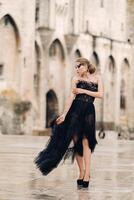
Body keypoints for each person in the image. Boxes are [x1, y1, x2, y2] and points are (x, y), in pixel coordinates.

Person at [34, 57, 104, 189]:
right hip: (75, 112)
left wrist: (83, 91)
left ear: (86, 66)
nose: (77, 69)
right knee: (77, 142)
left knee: (87, 142)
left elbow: (100, 94)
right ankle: (81, 171)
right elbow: (71, 97)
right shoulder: (75, 79)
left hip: (89, 111)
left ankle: (88, 173)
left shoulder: (97, 78)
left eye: (79, 66)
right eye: (75, 67)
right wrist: (65, 114)